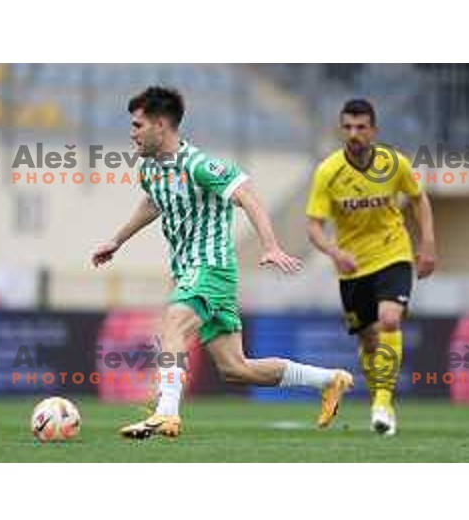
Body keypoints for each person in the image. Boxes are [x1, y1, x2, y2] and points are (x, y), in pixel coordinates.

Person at [91, 86, 353, 439]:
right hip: (190, 270)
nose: (132, 132)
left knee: (174, 323)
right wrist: (117, 240)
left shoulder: (200, 165)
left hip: (210, 267)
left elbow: (247, 196)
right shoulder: (150, 171)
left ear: (161, 125)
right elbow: (153, 203)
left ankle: (166, 414)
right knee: (236, 369)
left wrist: (271, 246)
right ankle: (329, 380)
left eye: (138, 125)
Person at [306, 99, 436, 436]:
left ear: (373, 131)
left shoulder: (395, 164)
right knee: (368, 341)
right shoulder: (328, 172)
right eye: (348, 127)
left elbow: (419, 199)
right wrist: (334, 252)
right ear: (341, 129)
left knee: (389, 320)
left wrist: (427, 244)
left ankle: (383, 402)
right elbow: (314, 226)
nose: (354, 133)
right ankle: (377, 398)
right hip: (352, 267)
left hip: (393, 253)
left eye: (361, 127)